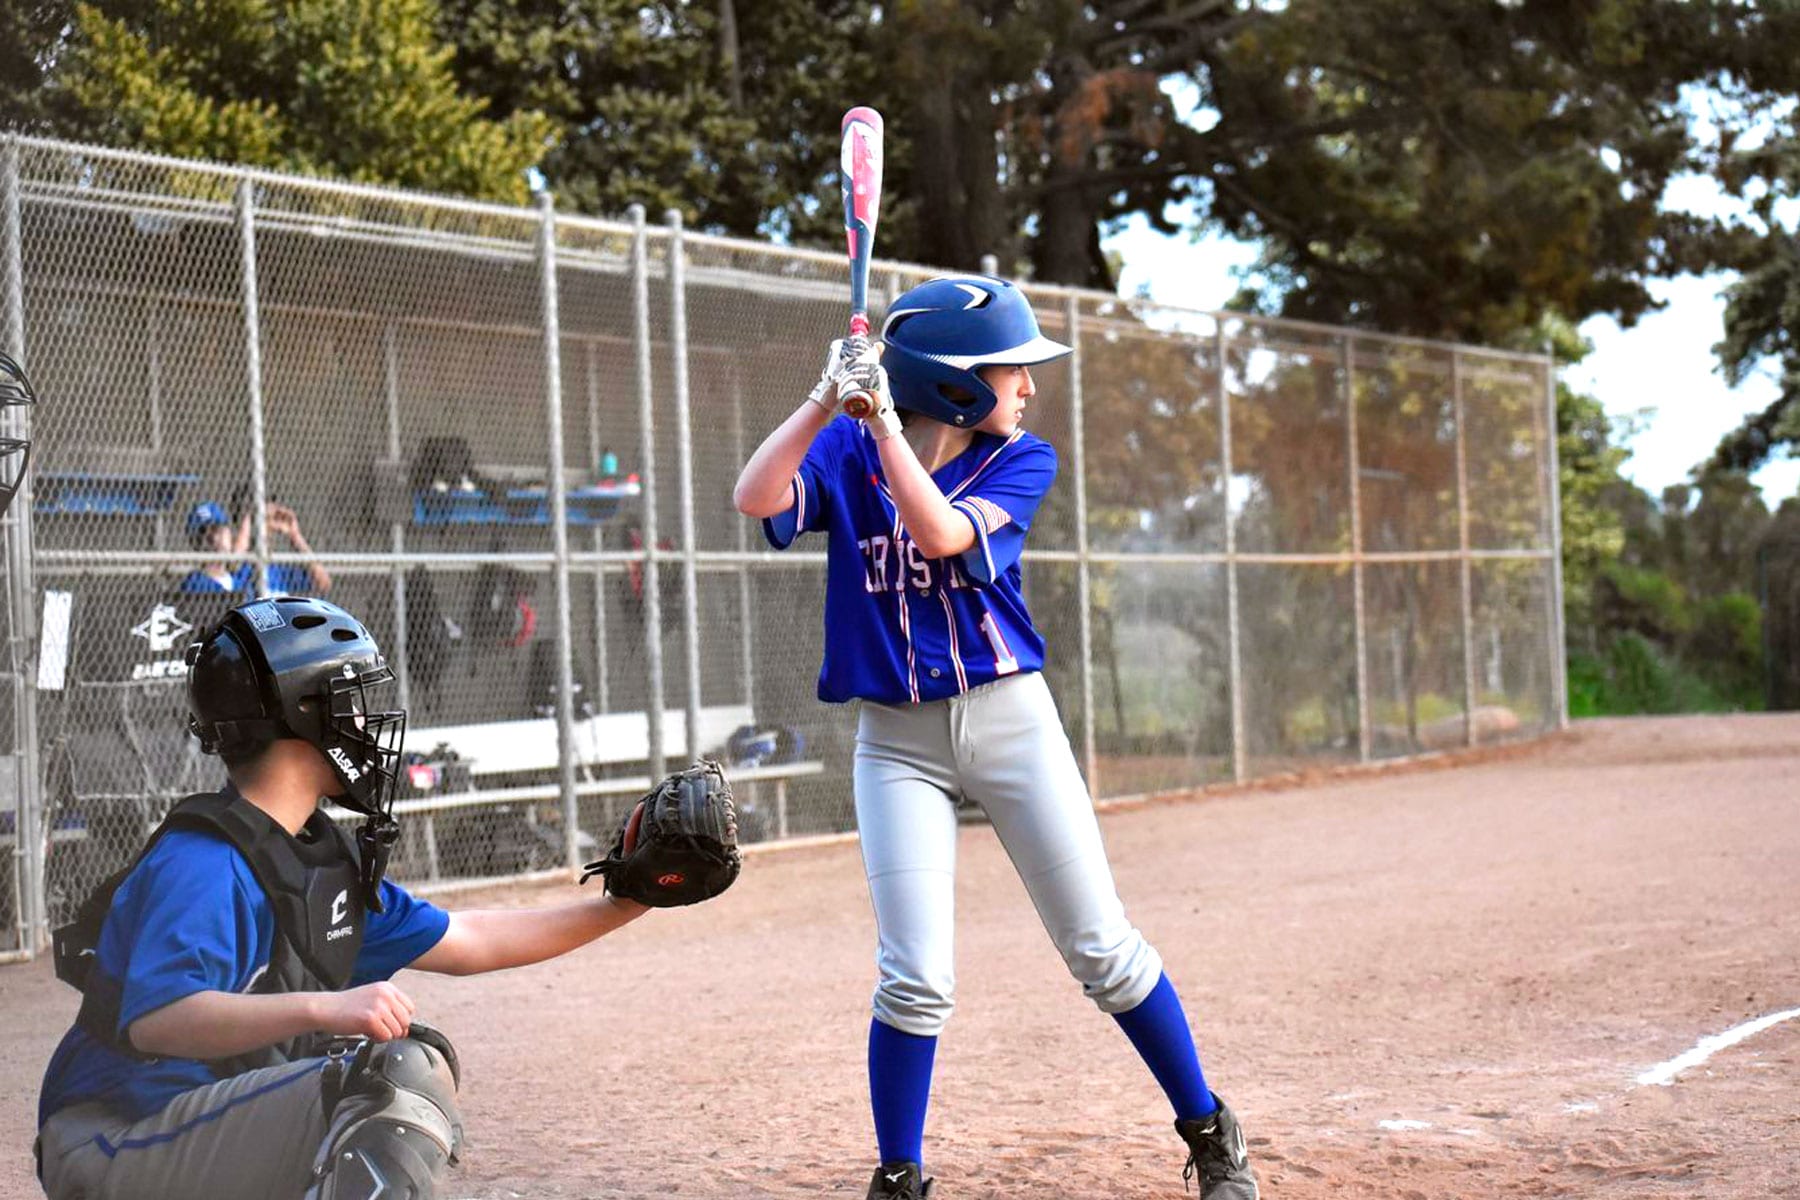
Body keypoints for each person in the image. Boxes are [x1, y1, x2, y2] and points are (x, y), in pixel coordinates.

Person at [733, 276, 1259, 1199]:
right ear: (955, 384)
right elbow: (754, 495)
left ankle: (1211, 1130)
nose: (1027, 389)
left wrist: (885, 424)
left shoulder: (1022, 460)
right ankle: (899, 1177)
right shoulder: (849, 447)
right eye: (1012, 371)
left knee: (1103, 949)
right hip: (895, 740)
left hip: (1009, 720)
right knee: (914, 979)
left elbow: (939, 537)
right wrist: (827, 398)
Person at [36, 596, 650, 1199]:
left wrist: (626, 902)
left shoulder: (307, 858)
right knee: (391, 1077)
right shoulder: (206, 861)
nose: (364, 723)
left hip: (187, 1128)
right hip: (114, 1139)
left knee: (408, 1056)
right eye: (349, 701)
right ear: (303, 712)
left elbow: (469, 940)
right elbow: (157, 1022)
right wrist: (323, 1008)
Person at [180, 499, 333, 596]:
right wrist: (249, 517)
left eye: (218, 529)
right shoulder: (197, 581)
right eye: (204, 533)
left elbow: (323, 582)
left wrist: (295, 536)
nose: (214, 538)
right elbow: (236, 559)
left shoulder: (257, 574)